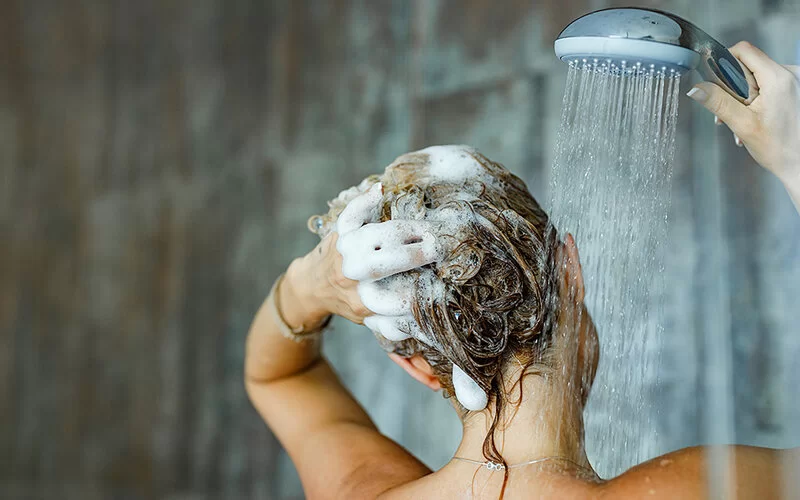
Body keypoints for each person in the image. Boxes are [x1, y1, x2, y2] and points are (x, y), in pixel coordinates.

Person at [245, 42, 799, 499]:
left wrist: (310, 283)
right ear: (570, 271)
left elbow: (276, 375)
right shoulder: (692, 488)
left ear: (417, 366)